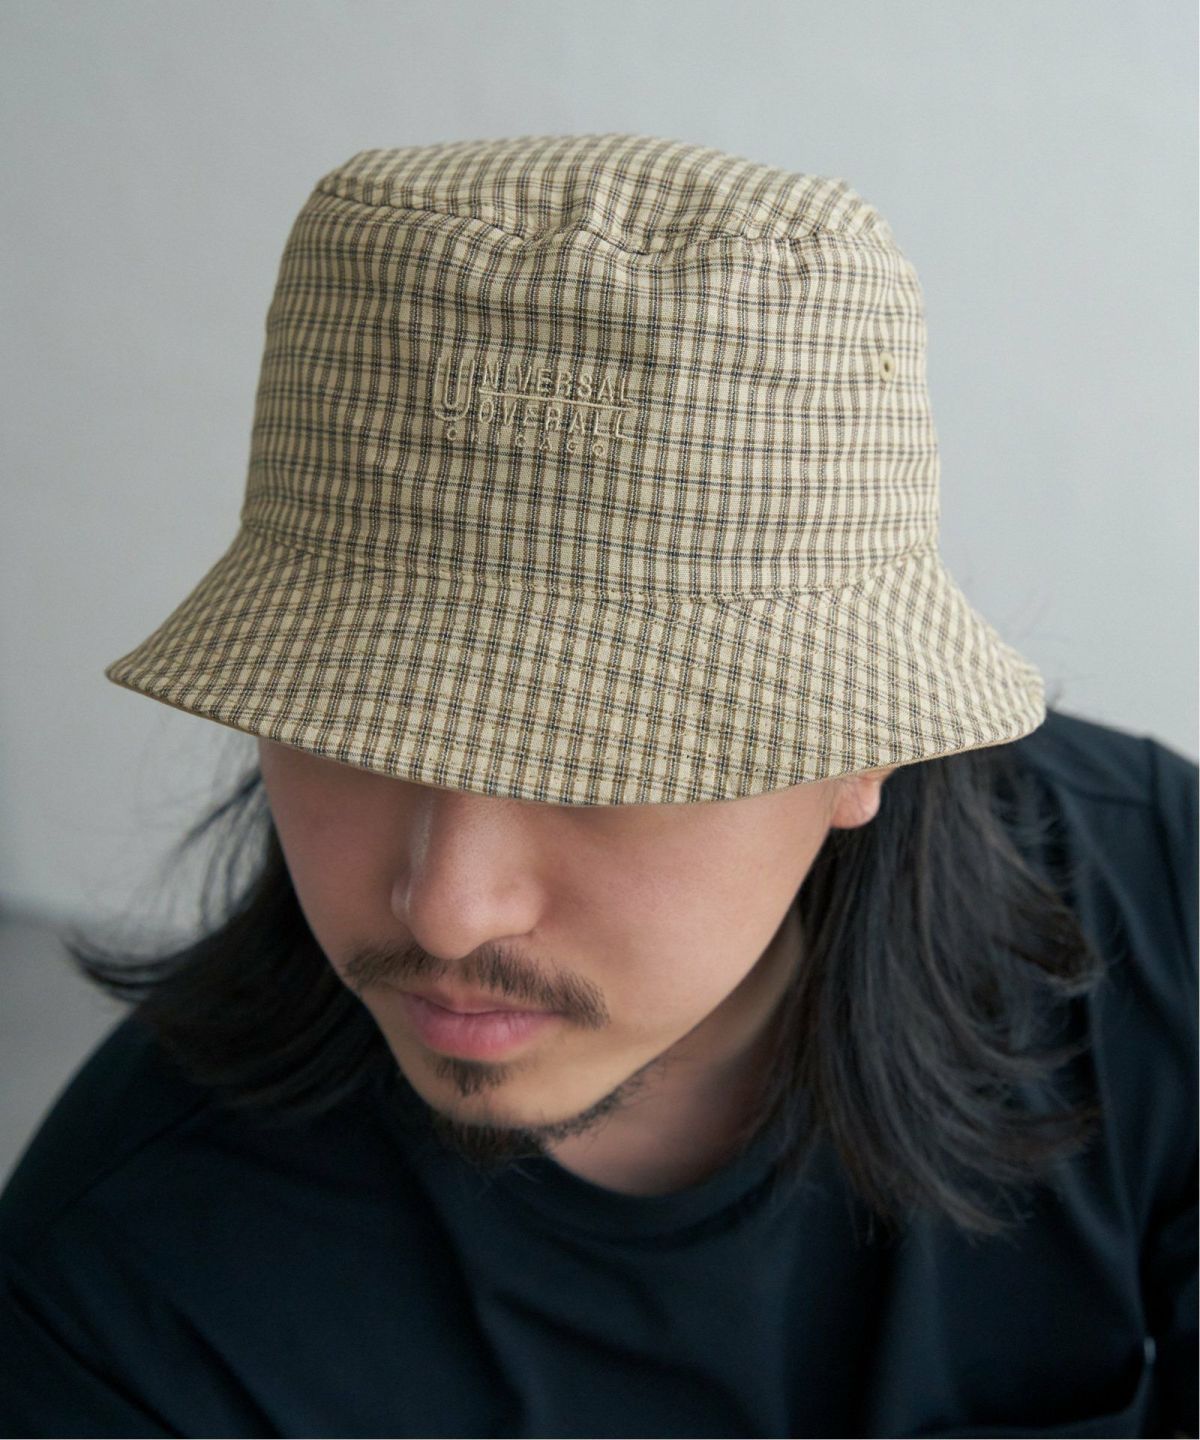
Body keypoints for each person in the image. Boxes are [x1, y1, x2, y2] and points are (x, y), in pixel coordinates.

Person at [0, 133, 1194, 1439]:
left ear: (869, 743)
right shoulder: (122, 1302)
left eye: (605, 759)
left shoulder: (1157, 909)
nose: (447, 908)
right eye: (357, 729)